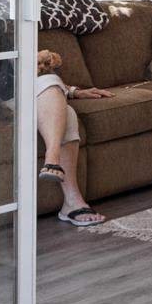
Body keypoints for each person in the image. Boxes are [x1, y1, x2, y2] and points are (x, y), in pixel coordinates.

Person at [33, 48, 112, 228]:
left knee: (66, 110)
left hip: (28, 91)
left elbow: (23, 74)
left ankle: (70, 200)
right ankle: (52, 160)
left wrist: (74, 92)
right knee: (65, 111)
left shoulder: (7, 31)